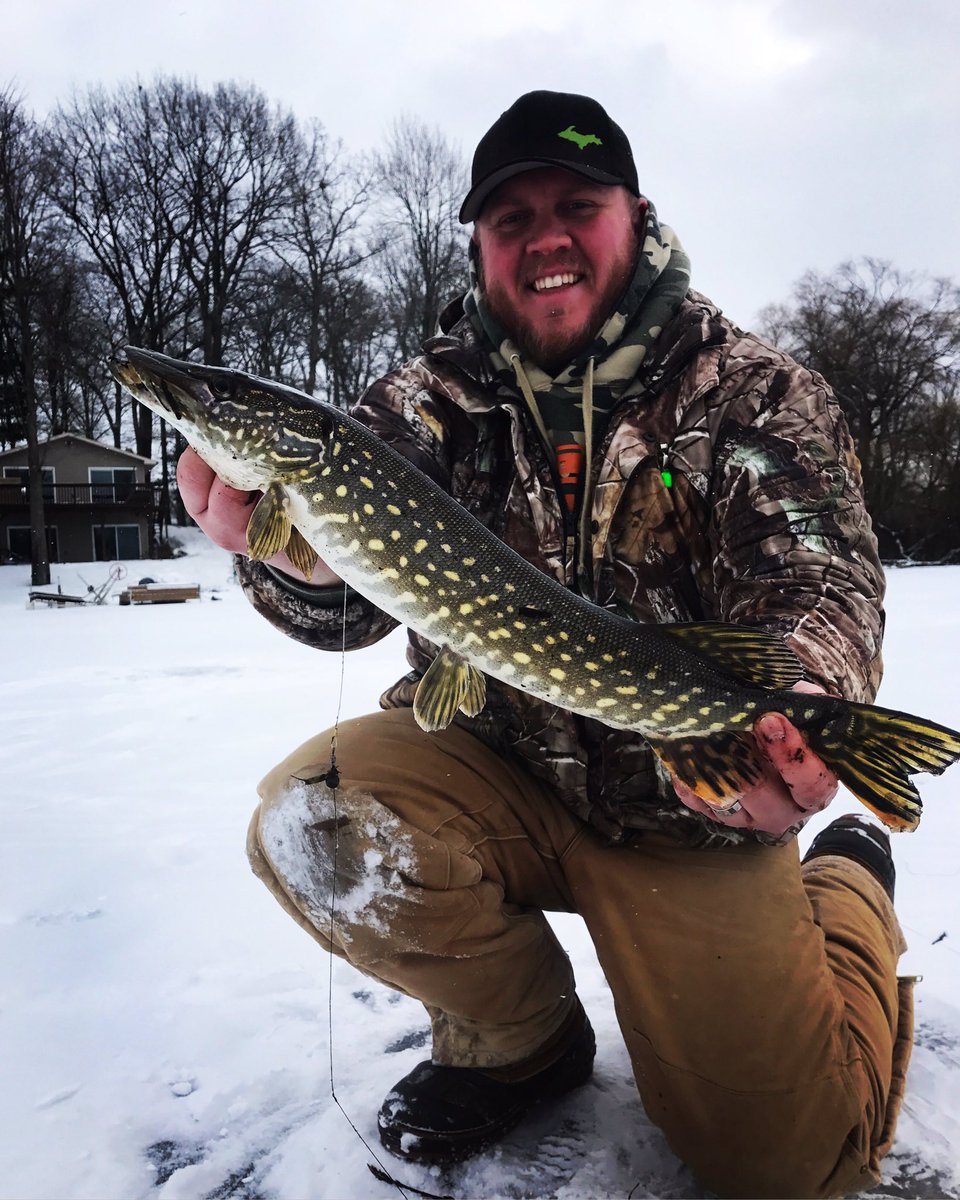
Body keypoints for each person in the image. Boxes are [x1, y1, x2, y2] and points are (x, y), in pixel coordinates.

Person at [178, 91, 911, 1198]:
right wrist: (284, 557)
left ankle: (850, 885)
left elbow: (818, 577)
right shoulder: (426, 400)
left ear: (636, 213)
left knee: (788, 1167)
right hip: (498, 768)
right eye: (512, 219)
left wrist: (802, 695)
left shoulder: (753, 390)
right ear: (480, 242)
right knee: (313, 818)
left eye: (577, 204)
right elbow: (353, 605)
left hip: (686, 811)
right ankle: (518, 1038)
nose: (546, 238)